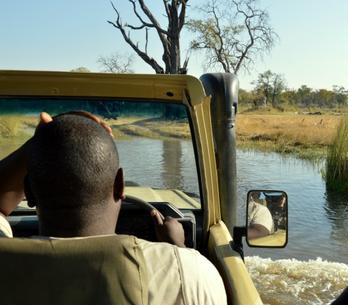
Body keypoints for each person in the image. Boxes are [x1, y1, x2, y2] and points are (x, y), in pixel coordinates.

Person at [0, 112, 227, 305]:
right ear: (120, 185)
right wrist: (178, 248)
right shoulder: (190, 273)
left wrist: (38, 144)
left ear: (28, 191)